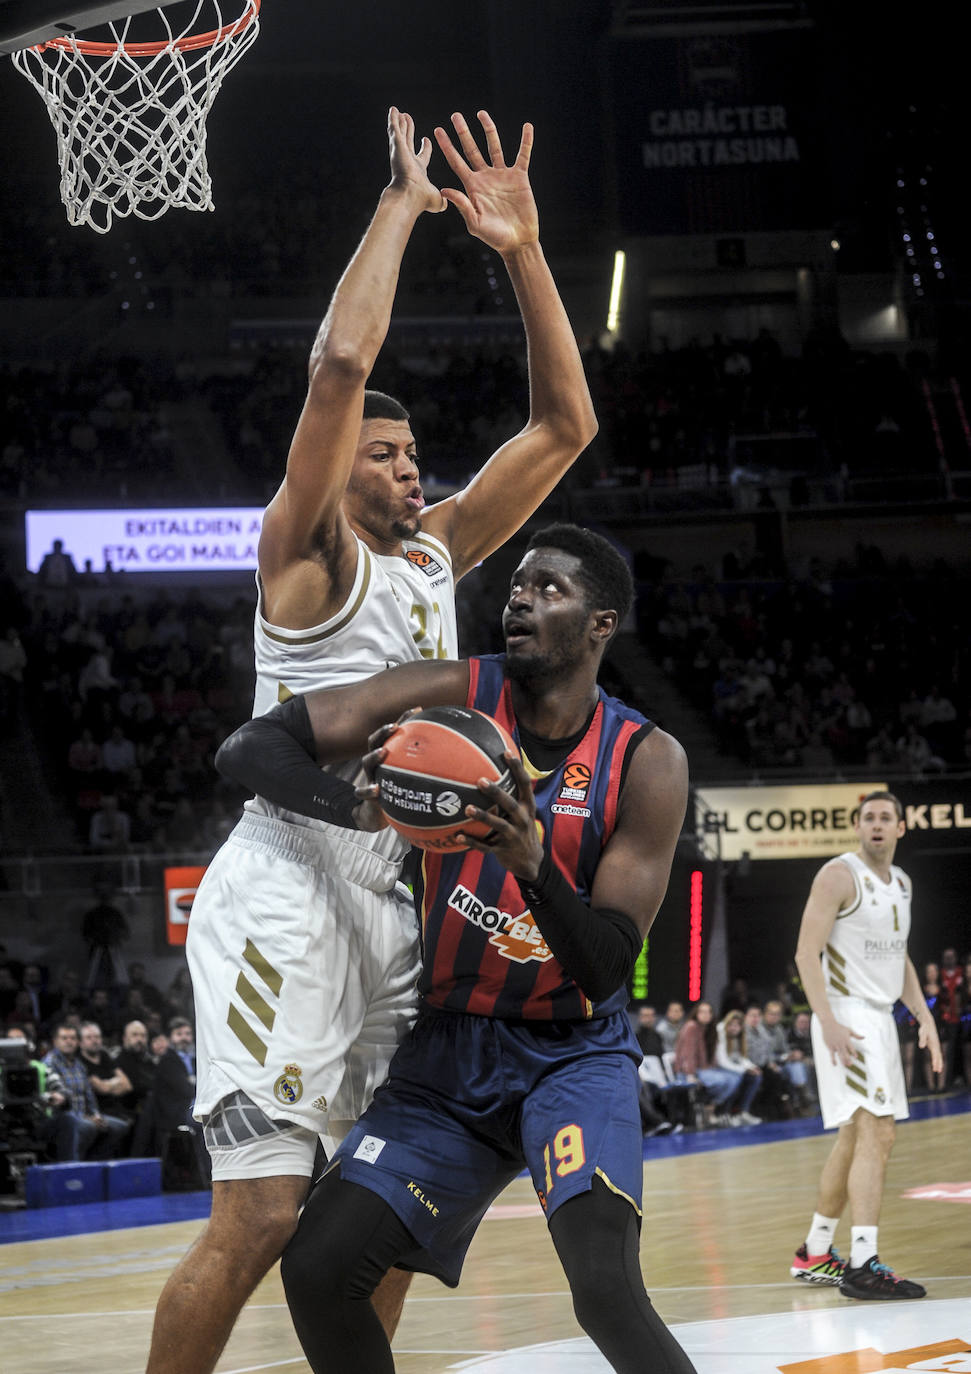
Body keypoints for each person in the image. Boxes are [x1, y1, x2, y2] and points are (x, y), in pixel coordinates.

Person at [146, 106, 598, 1374]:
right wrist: (402, 207)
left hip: (398, 898)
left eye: (415, 457)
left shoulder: (430, 555)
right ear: (339, 468)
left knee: (376, 1217)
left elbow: (563, 430)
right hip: (289, 879)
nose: (412, 472)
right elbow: (338, 372)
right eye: (389, 457)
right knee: (262, 1216)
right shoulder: (304, 556)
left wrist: (520, 251)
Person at [215, 524, 693, 1373]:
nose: (519, 598)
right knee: (320, 1271)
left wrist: (534, 868)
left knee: (605, 1292)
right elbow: (249, 746)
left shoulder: (646, 759)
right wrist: (351, 807)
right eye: (516, 585)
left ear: (599, 625)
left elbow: (609, 968)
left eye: (549, 589)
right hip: (449, 1052)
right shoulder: (450, 696)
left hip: (572, 1056)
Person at [790, 790, 943, 1299]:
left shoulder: (901, 883)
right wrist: (828, 1021)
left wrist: (924, 1016)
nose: (876, 824)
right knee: (876, 1134)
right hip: (847, 1015)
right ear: (858, 826)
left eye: (886, 817)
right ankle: (862, 1263)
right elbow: (806, 954)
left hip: (879, 1018)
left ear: (901, 827)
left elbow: (898, 959)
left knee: (857, 1138)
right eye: (868, 817)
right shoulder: (839, 875)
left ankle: (815, 1251)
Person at [42, 1021, 129, 1160]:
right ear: (55, 1041)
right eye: (64, 1038)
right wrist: (86, 1118)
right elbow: (59, 1099)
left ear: (77, 1042)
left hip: (86, 1115)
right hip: (64, 1119)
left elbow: (89, 1095)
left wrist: (96, 1115)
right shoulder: (49, 1063)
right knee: (89, 1127)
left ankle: (96, 1162)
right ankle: (77, 1166)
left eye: (72, 1038)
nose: (69, 1042)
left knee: (120, 1127)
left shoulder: (79, 1065)